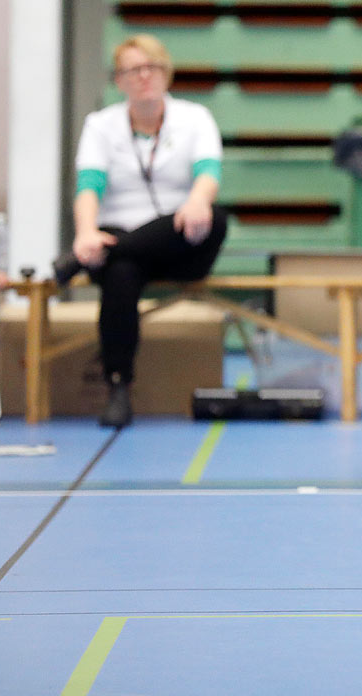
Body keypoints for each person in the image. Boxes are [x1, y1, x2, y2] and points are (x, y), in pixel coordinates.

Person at [60, 34, 227, 428]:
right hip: (118, 233)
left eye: (152, 67)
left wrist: (198, 200)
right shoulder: (101, 126)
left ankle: (91, 257)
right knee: (119, 272)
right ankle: (118, 387)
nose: (144, 77)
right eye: (133, 70)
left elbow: (208, 173)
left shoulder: (195, 118)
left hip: (178, 234)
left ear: (166, 73)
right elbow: (89, 186)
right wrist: (85, 233)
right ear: (119, 81)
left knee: (215, 216)